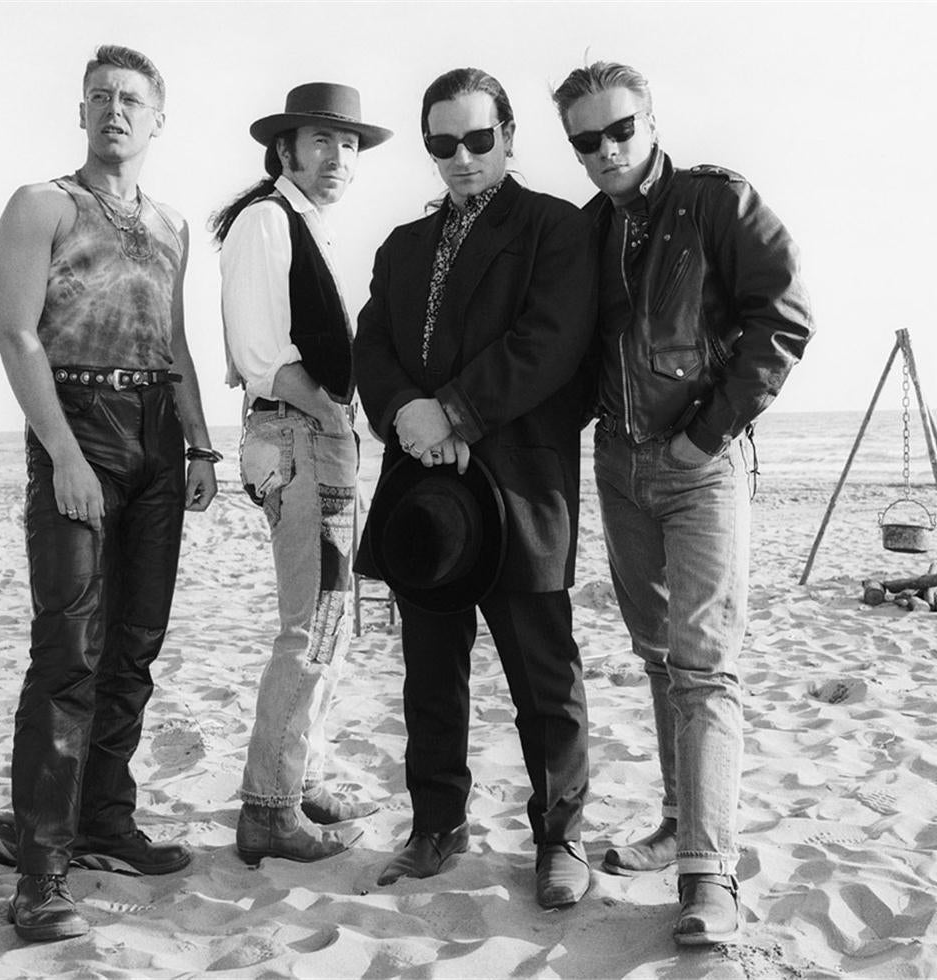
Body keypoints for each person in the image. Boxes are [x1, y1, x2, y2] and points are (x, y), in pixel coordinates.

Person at [551, 61, 814, 944]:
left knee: (706, 666)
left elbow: (783, 317)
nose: (606, 150)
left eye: (620, 129)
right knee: (658, 656)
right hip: (619, 466)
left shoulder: (716, 204)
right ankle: (677, 823)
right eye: (585, 140)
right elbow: (572, 354)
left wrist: (709, 432)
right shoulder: (586, 231)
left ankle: (710, 874)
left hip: (701, 467)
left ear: (652, 120)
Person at [354, 67, 597, 909]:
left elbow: (553, 342)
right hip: (423, 493)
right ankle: (436, 827)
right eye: (443, 144)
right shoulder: (401, 246)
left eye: (478, 140)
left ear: (509, 136)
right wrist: (407, 414)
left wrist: (454, 412)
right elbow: (371, 345)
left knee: (545, 679)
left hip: (521, 484)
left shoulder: (554, 230)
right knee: (429, 672)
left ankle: (560, 839)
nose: (461, 158)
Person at [0, 44, 219, 942]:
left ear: (157, 118)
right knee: (69, 652)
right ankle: (40, 874)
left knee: (135, 643)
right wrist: (64, 456)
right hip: (77, 424)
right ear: (81, 112)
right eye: (99, 97)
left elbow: (176, 342)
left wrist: (201, 445)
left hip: (159, 431)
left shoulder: (171, 223)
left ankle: (105, 820)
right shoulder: (40, 203)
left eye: (130, 99)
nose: (113, 110)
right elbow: (16, 337)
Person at [210, 83, 392, 864]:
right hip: (297, 437)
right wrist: (329, 417)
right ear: (285, 149)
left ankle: (302, 779)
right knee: (311, 626)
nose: (337, 158)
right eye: (321, 141)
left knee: (328, 623)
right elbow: (259, 356)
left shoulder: (303, 225)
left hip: (311, 437)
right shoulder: (264, 220)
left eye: (348, 145)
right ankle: (268, 808)